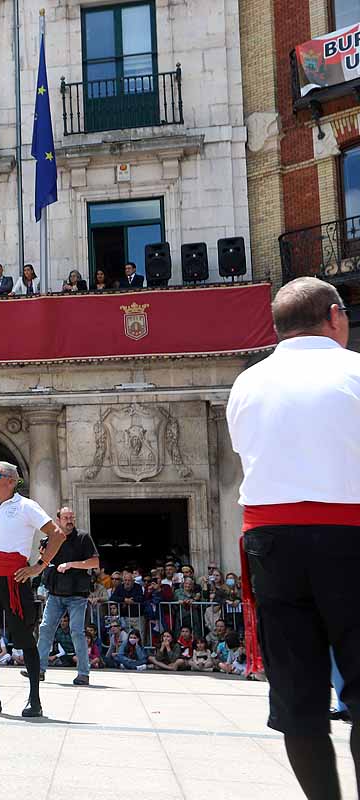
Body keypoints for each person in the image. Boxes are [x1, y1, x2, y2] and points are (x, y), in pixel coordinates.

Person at [226, 276, 360, 798]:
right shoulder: (354, 370)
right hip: (350, 532)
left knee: (298, 697)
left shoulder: (247, 383)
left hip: (273, 543)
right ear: (334, 315)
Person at [0, 462, 68, 718]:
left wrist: (39, 567)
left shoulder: (26, 506)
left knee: (24, 638)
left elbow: (57, 534)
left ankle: (35, 700)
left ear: (11, 480)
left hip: (15, 579)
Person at [31, 507, 99, 686]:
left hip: (77, 595)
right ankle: (39, 670)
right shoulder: (53, 539)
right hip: (55, 594)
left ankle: (83, 673)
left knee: (77, 632)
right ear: (59, 519)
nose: (69, 520)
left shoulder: (83, 537)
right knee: (45, 629)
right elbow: (44, 563)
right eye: (66, 517)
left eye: (72, 517)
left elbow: (94, 562)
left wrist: (71, 564)